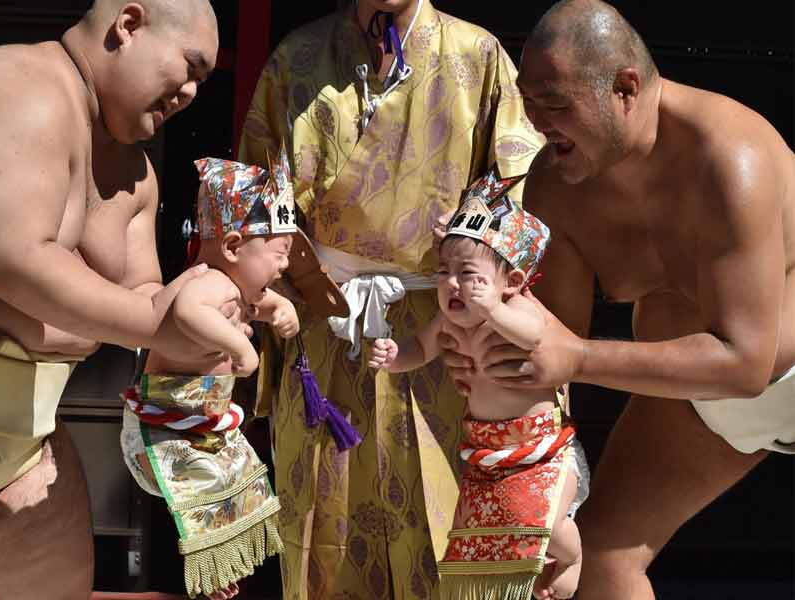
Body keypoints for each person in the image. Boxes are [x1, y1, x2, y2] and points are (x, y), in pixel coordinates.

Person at [440, 1, 795, 599]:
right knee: (599, 557)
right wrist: (483, 364)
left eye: (556, 103)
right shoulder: (556, 187)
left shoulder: (731, 158)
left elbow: (745, 362)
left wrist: (574, 357)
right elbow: (549, 348)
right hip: (698, 400)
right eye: (530, 102)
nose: (538, 122)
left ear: (625, 88)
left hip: (761, 369)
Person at [0, 0, 220, 597]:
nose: (191, 94)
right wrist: (153, 320)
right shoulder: (19, 89)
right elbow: (13, 262)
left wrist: (200, 317)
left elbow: (143, 296)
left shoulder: (138, 178)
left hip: (20, 426)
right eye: (190, 68)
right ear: (128, 25)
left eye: (203, 82)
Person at [238, 0, 544, 597]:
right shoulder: (295, 60)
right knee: (325, 527)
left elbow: (514, 198)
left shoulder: (478, 57)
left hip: (447, 330)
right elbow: (258, 206)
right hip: (324, 321)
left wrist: (468, 249)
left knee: (446, 522)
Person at [370, 171, 586, 600]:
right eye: (444, 272)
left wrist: (493, 311)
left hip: (539, 449)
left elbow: (535, 338)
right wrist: (397, 358)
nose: (453, 283)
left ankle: (572, 559)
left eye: (469, 273)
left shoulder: (520, 309)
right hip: (486, 448)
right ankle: (527, 581)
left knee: (544, 523)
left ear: (513, 281)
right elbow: (422, 348)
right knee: (490, 535)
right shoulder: (448, 319)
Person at [121, 151, 307, 599]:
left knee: (242, 476)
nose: (285, 265)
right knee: (212, 483)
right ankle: (211, 572)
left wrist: (282, 307)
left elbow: (253, 304)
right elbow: (189, 309)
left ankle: (222, 567)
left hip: (194, 424)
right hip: (166, 429)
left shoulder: (233, 287)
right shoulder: (209, 283)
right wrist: (243, 349)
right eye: (279, 253)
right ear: (232, 247)